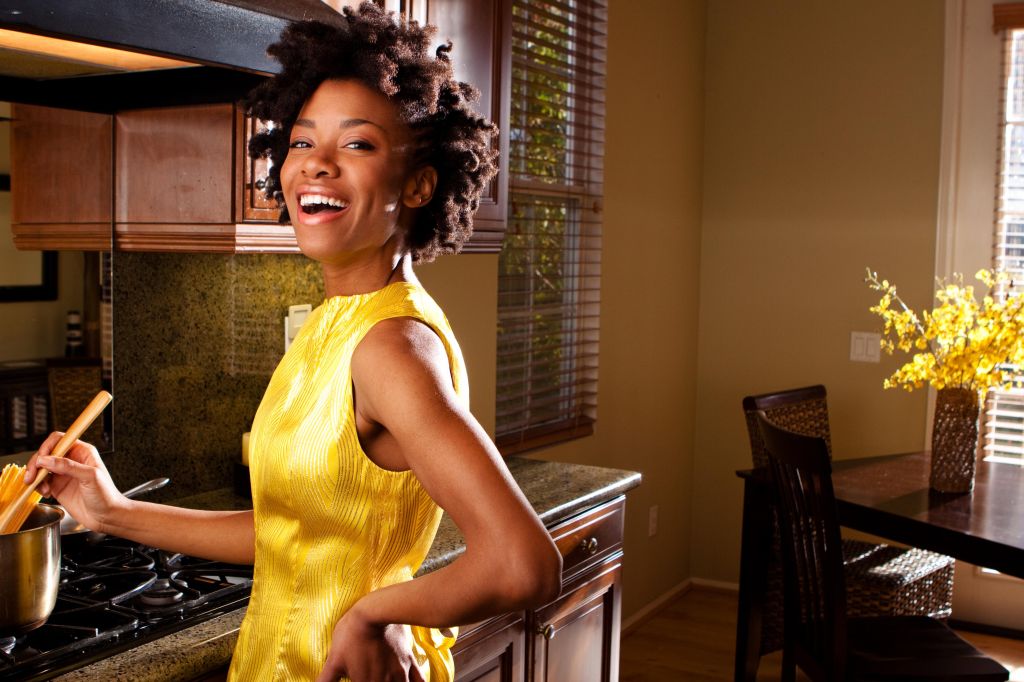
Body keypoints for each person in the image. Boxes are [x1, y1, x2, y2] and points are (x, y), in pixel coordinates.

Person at [24, 4, 562, 681]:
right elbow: (294, 537)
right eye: (303, 143)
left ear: (420, 183)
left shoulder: (390, 346)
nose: (317, 166)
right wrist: (114, 511)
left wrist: (376, 613)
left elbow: (524, 562)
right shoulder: (335, 322)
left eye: (358, 145)